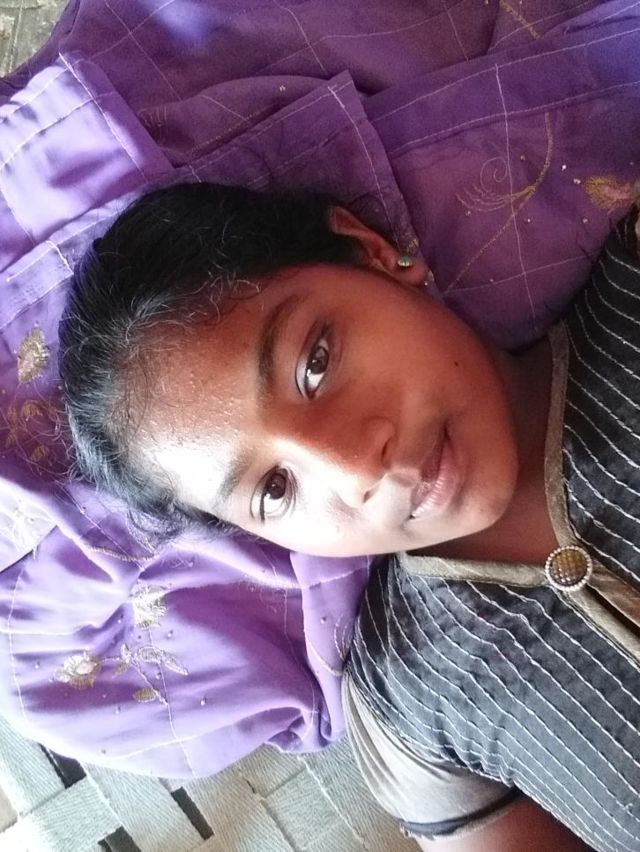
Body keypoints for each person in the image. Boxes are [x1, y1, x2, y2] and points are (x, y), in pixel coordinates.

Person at [59, 181, 640, 852]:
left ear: (373, 253)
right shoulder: (408, 700)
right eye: (274, 490)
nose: (359, 468)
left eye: (315, 364)